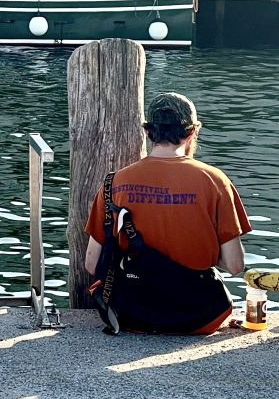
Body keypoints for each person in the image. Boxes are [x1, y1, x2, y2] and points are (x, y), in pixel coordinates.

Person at [84, 91, 251, 334]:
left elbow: (91, 264)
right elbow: (235, 265)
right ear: (193, 132)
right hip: (199, 317)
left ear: (148, 131)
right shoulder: (215, 181)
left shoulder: (114, 183)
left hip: (130, 315)